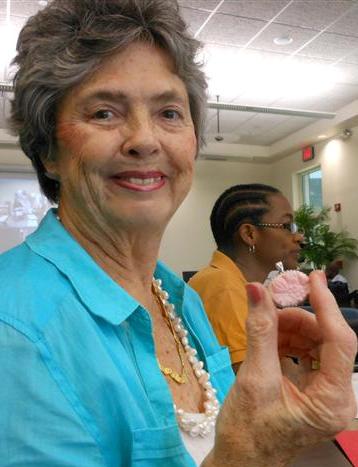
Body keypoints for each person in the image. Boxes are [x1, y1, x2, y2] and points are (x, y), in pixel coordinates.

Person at [0, 1, 356, 466]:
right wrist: (251, 452)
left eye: (169, 112)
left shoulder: (180, 301)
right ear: (48, 150)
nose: (145, 140)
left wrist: (294, 423)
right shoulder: (14, 326)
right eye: (104, 113)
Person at [189, 184, 304, 372]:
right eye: (286, 226)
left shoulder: (240, 284)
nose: (298, 236)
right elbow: (256, 381)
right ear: (249, 234)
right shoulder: (223, 286)